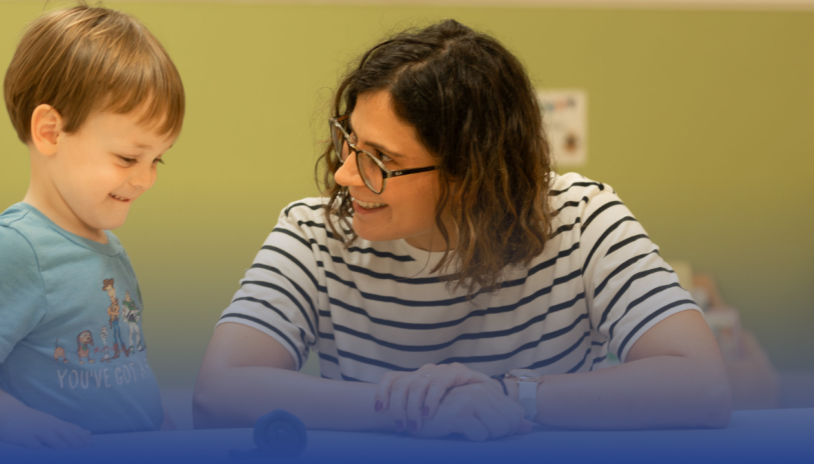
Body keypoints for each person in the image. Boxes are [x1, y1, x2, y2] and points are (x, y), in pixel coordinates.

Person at [193, 19, 731, 441]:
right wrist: (408, 408)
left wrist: (510, 397)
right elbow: (219, 392)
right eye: (349, 141)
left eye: (380, 157)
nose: (343, 174)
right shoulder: (314, 230)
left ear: (469, 174)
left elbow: (703, 386)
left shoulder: (582, 217)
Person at [0, 5, 184, 449]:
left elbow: (121, 372)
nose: (145, 178)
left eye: (156, 159)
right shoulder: (15, 248)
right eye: (128, 157)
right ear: (50, 131)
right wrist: (12, 419)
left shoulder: (107, 246)